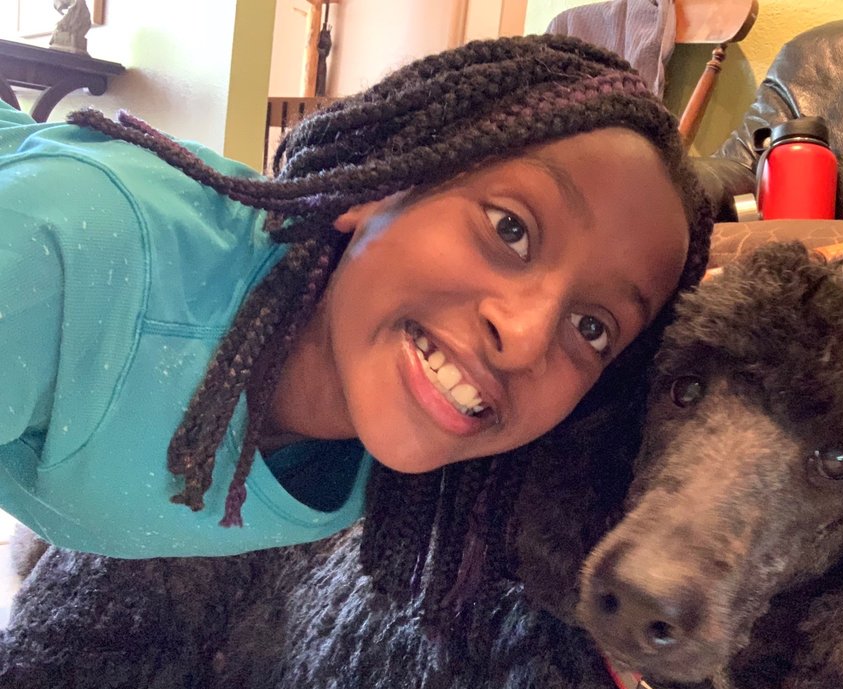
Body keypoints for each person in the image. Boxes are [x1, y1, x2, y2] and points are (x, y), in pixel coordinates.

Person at [0, 35, 712, 560]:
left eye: (592, 327)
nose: (525, 337)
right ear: (378, 183)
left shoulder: (381, 465)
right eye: (510, 229)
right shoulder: (72, 258)